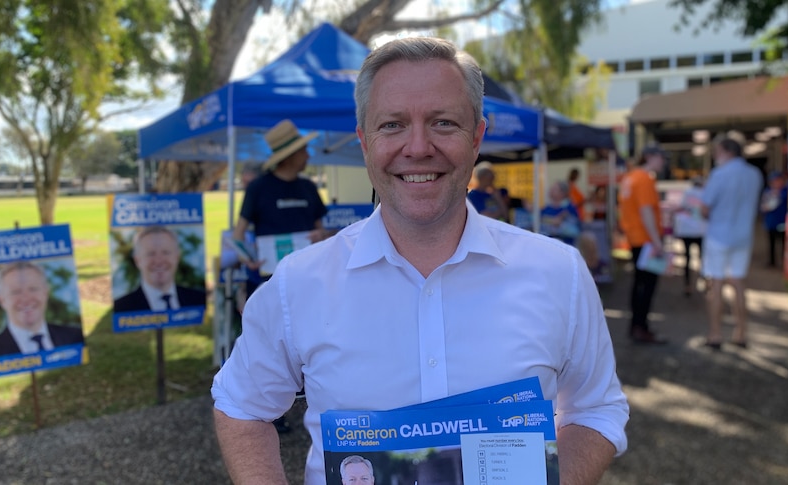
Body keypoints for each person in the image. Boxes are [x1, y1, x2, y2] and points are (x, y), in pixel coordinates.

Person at [212, 36, 628, 485]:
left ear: (477, 138)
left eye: (443, 122)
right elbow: (242, 406)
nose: (417, 147)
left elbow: (595, 406)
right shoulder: (298, 283)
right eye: (392, 125)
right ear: (364, 142)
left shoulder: (558, 272)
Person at [231, 119, 330, 434]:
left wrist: (320, 236)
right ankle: (268, 412)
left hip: (308, 279)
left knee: (310, 341)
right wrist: (247, 257)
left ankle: (313, 402)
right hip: (268, 281)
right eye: (303, 150)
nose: (309, 155)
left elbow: (321, 230)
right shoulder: (259, 188)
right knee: (269, 346)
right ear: (289, 155)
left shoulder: (309, 188)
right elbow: (238, 234)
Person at [700, 133, 763, 349]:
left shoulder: (719, 174)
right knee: (738, 284)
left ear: (728, 151)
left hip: (719, 235)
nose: (715, 155)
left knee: (716, 285)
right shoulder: (754, 174)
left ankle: (715, 334)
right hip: (743, 236)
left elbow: (705, 207)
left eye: (717, 151)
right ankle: (741, 333)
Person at [0, 261, 84, 359]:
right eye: (16, 292)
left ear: (46, 293)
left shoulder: (75, 336)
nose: (26, 298)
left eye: (33, 289)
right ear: (2, 300)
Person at [617, 145, 668, 344]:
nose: (663, 162)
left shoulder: (630, 177)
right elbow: (646, 211)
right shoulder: (645, 179)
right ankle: (641, 327)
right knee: (646, 286)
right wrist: (657, 242)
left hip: (635, 239)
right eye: (661, 157)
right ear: (650, 157)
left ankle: (637, 326)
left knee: (639, 284)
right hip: (646, 241)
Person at [113, 225, 207, 313]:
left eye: (166, 252)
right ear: (138, 261)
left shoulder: (199, 299)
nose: (159, 261)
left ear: (177, 257)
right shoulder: (122, 308)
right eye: (151, 254)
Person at [673, 176, 706, 296]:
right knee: (703, 258)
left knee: (687, 258)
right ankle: (704, 281)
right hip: (702, 231)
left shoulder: (687, 193)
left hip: (687, 231)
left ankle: (688, 285)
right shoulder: (705, 193)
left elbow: (681, 207)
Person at [540, 179, 582, 245]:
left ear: (562, 193)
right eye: (551, 188)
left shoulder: (570, 208)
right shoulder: (546, 208)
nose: (551, 190)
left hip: (566, 245)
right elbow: (539, 223)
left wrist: (560, 225)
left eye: (554, 189)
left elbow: (575, 231)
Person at [760, 172, 788, 268]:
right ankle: (772, 261)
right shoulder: (768, 192)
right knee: (771, 242)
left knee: (784, 243)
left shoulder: (785, 191)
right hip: (771, 222)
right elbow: (763, 206)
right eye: (773, 181)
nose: (776, 183)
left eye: (778, 180)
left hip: (783, 221)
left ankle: (784, 261)